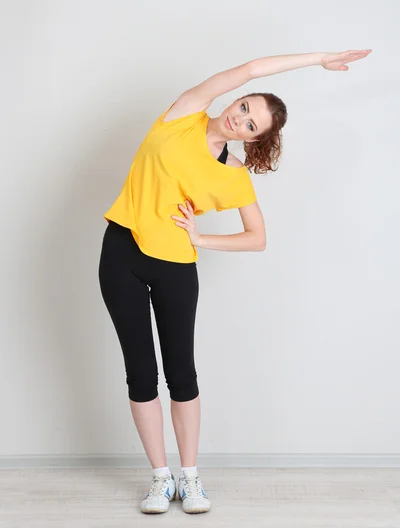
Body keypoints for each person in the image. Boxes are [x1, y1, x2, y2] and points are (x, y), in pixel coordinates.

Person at [98, 48, 372, 514]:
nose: (239, 119)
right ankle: (160, 481)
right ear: (236, 100)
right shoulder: (184, 112)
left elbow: (258, 238)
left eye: (251, 125)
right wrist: (320, 58)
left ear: (254, 139)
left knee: (181, 373)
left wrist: (202, 239)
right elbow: (250, 69)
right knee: (141, 374)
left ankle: (191, 478)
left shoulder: (233, 173)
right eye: (244, 107)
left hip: (176, 267)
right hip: (121, 252)